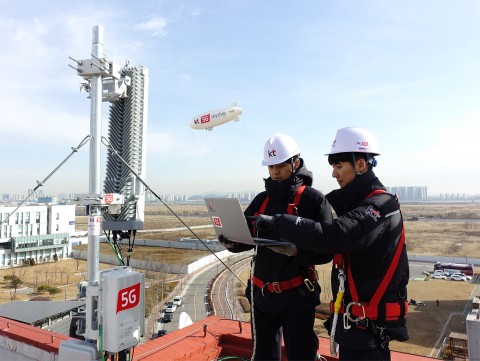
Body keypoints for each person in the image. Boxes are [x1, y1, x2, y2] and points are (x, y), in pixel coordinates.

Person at [254, 127, 409, 361]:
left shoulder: (380, 206)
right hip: (355, 328)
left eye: (339, 167)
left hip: (369, 331)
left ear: (360, 165)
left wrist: (280, 223)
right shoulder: (363, 205)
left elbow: (337, 235)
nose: (335, 175)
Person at [219, 133, 333, 361]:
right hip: (262, 298)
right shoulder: (262, 200)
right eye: (271, 166)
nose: (275, 171)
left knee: (301, 356)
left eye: (280, 165)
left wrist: (297, 251)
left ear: (296, 163)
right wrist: (232, 242)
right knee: (263, 356)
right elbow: (246, 238)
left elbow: (327, 250)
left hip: (297, 298)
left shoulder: (313, 201)